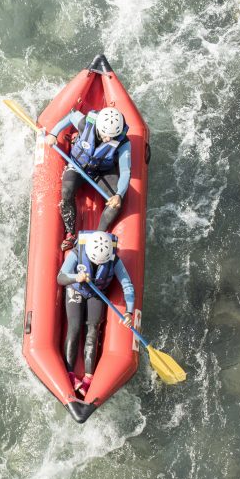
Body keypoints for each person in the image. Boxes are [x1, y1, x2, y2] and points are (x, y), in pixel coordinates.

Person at [57, 230, 136, 398]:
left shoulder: (113, 259)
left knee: (92, 331)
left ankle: (88, 378)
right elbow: (61, 277)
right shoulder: (78, 252)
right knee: (75, 328)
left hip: (96, 293)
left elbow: (127, 284)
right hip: (76, 289)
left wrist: (129, 312)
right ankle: (70, 374)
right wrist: (75, 277)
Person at [44, 107, 131, 251]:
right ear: (99, 127)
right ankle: (70, 232)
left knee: (115, 205)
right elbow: (71, 116)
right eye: (106, 135)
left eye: (112, 136)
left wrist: (118, 194)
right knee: (66, 191)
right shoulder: (86, 123)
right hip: (77, 166)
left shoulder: (123, 142)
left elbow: (126, 170)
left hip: (102, 171)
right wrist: (54, 133)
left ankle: (98, 236)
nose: (109, 139)